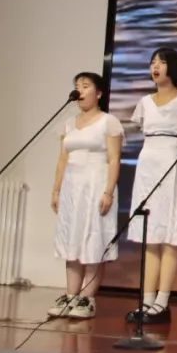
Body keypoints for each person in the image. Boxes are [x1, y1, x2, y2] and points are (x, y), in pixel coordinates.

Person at [125, 47, 177, 324]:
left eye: (161, 62)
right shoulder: (145, 102)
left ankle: (162, 302)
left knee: (169, 236)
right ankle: (146, 301)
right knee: (150, 236)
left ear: (174, 67)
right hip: (148, 166)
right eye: (152, 62)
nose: (155, 67)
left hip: (173, 165)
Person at [49, 71, 122, 320]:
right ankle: (70, 296)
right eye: (77, 85)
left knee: (93, 240)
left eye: (86, 85)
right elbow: (62, 159)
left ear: (98, 93)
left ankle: (87, 298)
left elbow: (114, 159)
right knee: (72, 239)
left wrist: (108, 191)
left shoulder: (108, 122)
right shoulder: (69, 124)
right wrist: (56, 190)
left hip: (96, 185)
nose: (80, 90)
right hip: (72, 188)